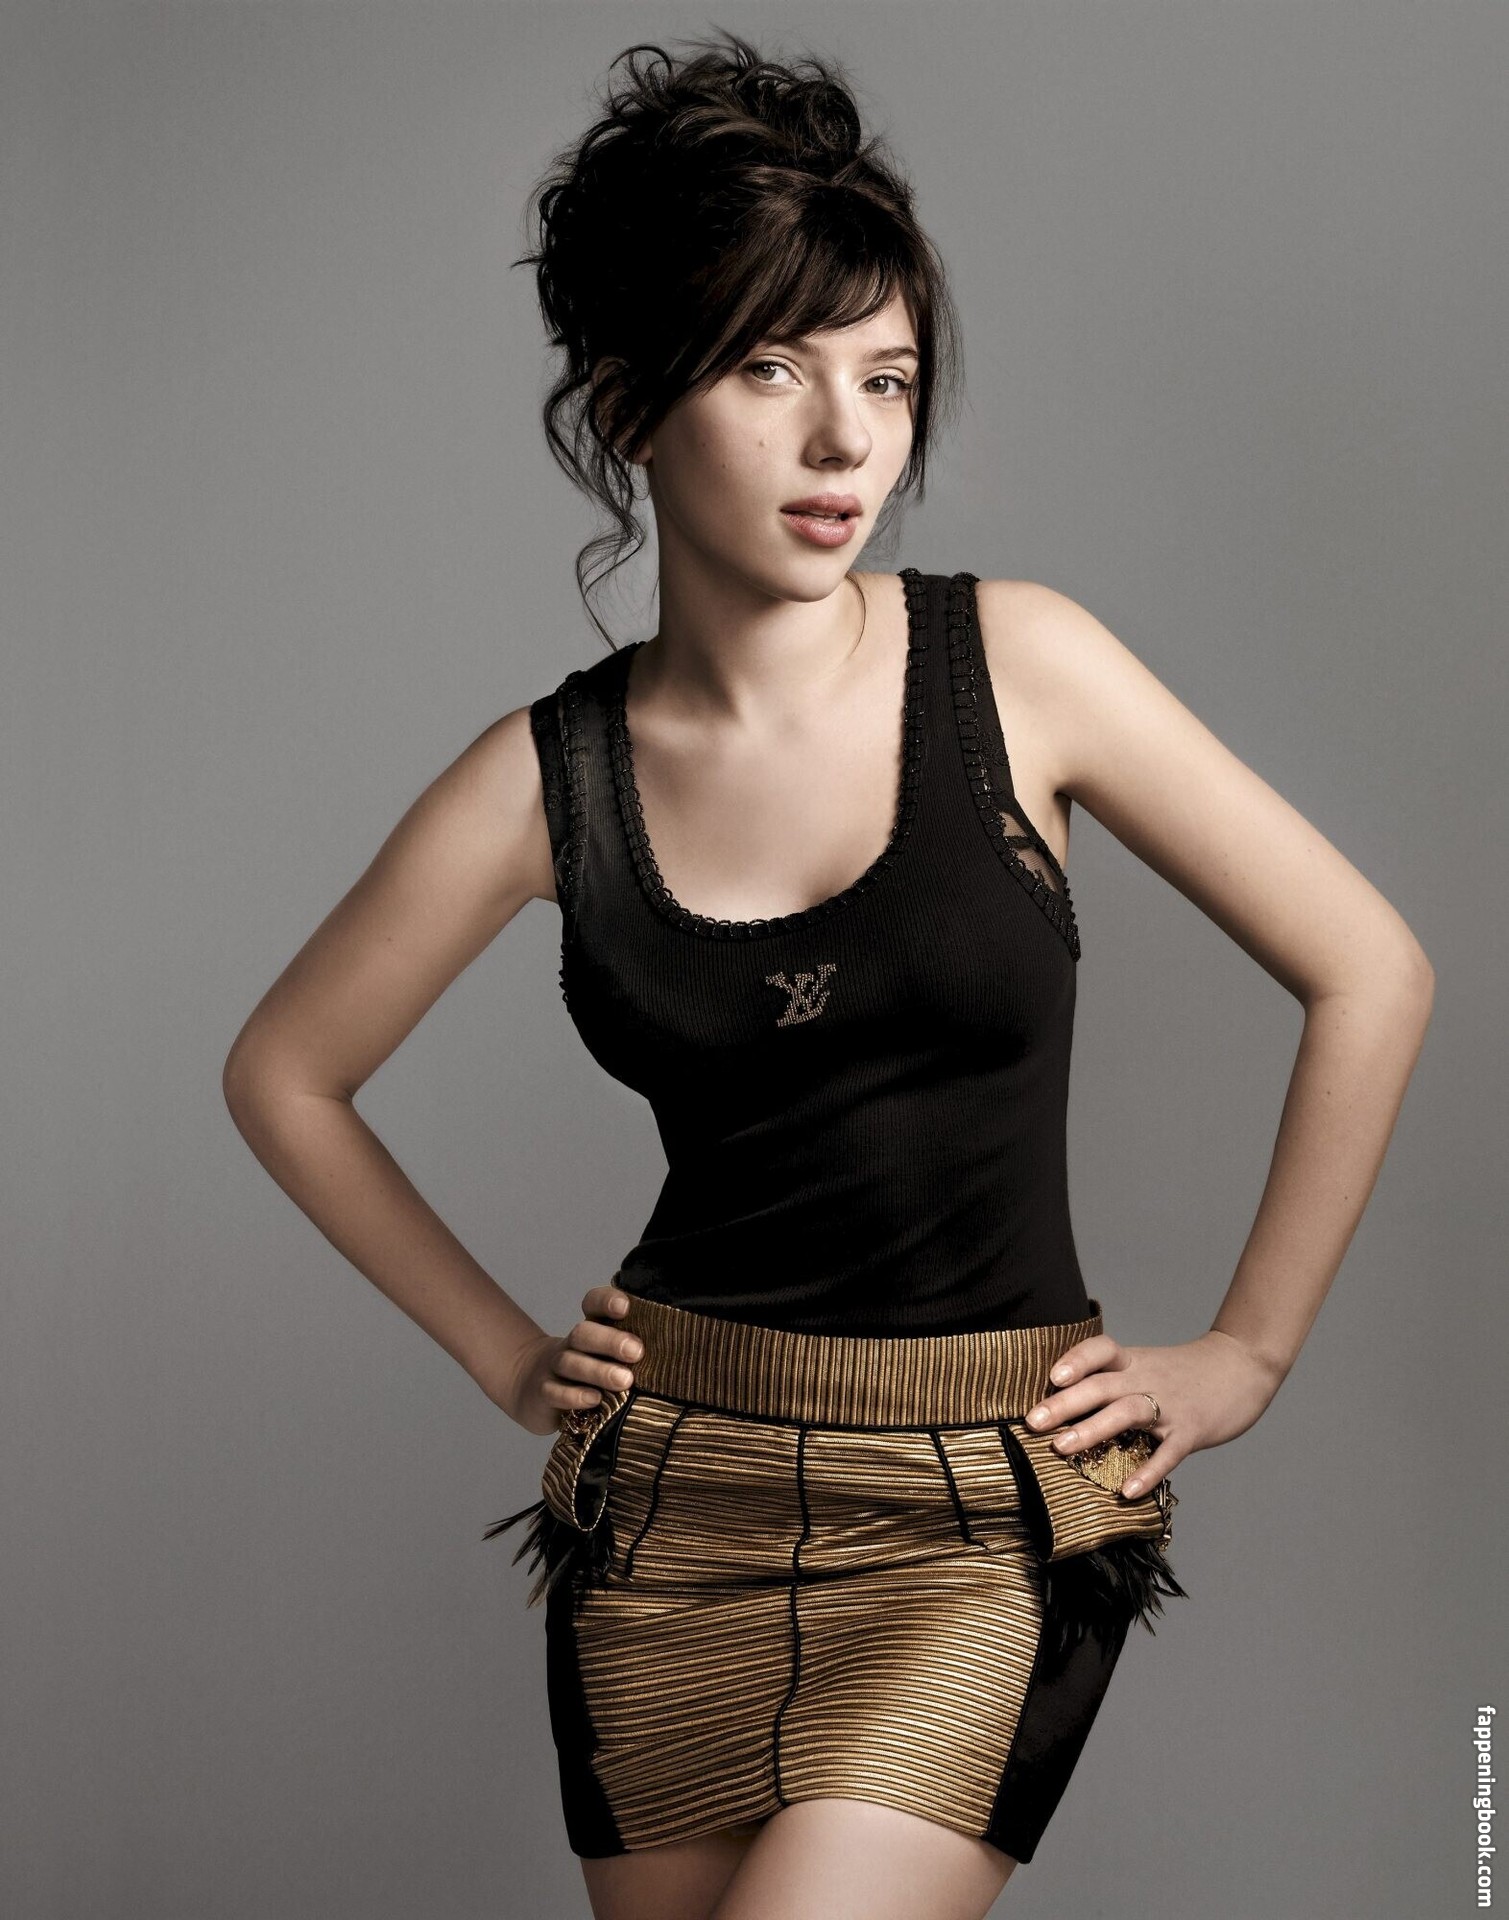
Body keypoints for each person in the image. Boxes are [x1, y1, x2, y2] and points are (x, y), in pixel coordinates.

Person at [222, 31, 1435, 1920]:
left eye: (885, 378)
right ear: (630, 405)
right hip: (670, 1498)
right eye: (769, 368)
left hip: (981, 1503)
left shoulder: (1020, 667)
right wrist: (502, 1353)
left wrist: (1247, 1351)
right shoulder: (545, 778)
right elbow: (284, 1075)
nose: (846, 441)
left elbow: (1370, 966)